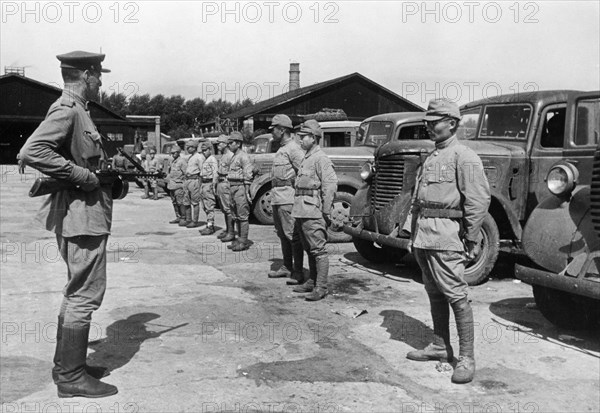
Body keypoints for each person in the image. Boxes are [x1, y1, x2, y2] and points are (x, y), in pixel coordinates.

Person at [18, 50, 118, 398]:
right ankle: (71, 377)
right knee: (85, 295)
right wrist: (84, 177)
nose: (101, 81)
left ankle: (67, 365)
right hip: (82, 217)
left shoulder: (79, 111)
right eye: (98, 75)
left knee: (77, 292)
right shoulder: (68, 109)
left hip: (82, 215)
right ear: (87, 74)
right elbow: (33, 152)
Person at [406, 98, 491, 384]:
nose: (428, 127)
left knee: (456, 294)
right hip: (424, 235)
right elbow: (417, 199)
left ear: (452, 123)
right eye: (427, 122)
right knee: (433, 291)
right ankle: (440, 346)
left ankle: (467, 357)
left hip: (446, 235)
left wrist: (470, 237)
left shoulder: (463, 156)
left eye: (435, 122)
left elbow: (478, 200)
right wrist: (410, 232)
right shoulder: (432, 156)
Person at [291, 120, 338, 301]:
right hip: (302, 210)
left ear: (314, 138)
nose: (300, 140)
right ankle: (312, 281)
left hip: (313, 211)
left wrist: (326, 211)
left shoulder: (320, 158)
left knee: (318, 250)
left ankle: (321, 286)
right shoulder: (307, 157)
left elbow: (330, 185)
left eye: (303, 137)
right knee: (309, 248)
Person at [267, 114, 305, 285]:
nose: (272, 133)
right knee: (282, 234)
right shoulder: (282, 149)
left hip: (288, 197)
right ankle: (287, 266)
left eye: (273, 129)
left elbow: (304, 172)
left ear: (282, 130)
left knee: (292, 235)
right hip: (277, 197)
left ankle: (298, 272)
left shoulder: (293, 149)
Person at [226, 131, 254, 251]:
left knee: (242, 216)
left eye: (231, 143)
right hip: (232, 187)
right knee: (235, 215)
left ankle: (243, 241)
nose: (229, 145)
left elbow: (248, 174)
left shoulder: (243, 156)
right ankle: (239, 239)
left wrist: (247, 191)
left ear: (238, 143)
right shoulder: (234, 156)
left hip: (240, 187)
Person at [216, 134, 235, 242]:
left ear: (226, 144)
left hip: (226, 183)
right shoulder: (223, 155)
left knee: (228, 209)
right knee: (224, 209)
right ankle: (228, 230)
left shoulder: (230, 155)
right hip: (221, 183)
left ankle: (231, 232)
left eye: (220, 143)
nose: (218, 145)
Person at [198, 142, 218, 235]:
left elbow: (215, 173)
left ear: (210, 150)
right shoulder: (205, 159)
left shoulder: (212, 159)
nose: (204, 152)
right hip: (204, 183)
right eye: (202, 151)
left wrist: (213, 186)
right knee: (205, 206)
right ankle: (208, 223)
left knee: (209, 205)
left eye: (205, 150)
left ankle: (210, 226)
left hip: (209, 183)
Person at [182, 139, 203, 228]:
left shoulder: (199, 157)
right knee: (186, 201)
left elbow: (202, 171)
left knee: (195, 202)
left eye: (190, 147)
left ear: (194, 148)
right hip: (187, 180)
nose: (188, 149)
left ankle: (195, 221)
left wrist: (200, 184)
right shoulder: (190, 157)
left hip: (194, 180)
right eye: (187, 147)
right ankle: (188, 219)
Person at [166, 146, 187, 224]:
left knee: (180, 202)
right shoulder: (172, 161)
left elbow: (186, 174)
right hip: (172, 185)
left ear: (178, 152)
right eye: (171, 153)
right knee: (174, 202)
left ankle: (184, 218)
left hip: (179, 185)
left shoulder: (182, 162)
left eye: (174, 153)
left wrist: (184, 185)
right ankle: (178, 216)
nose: (172, 154)